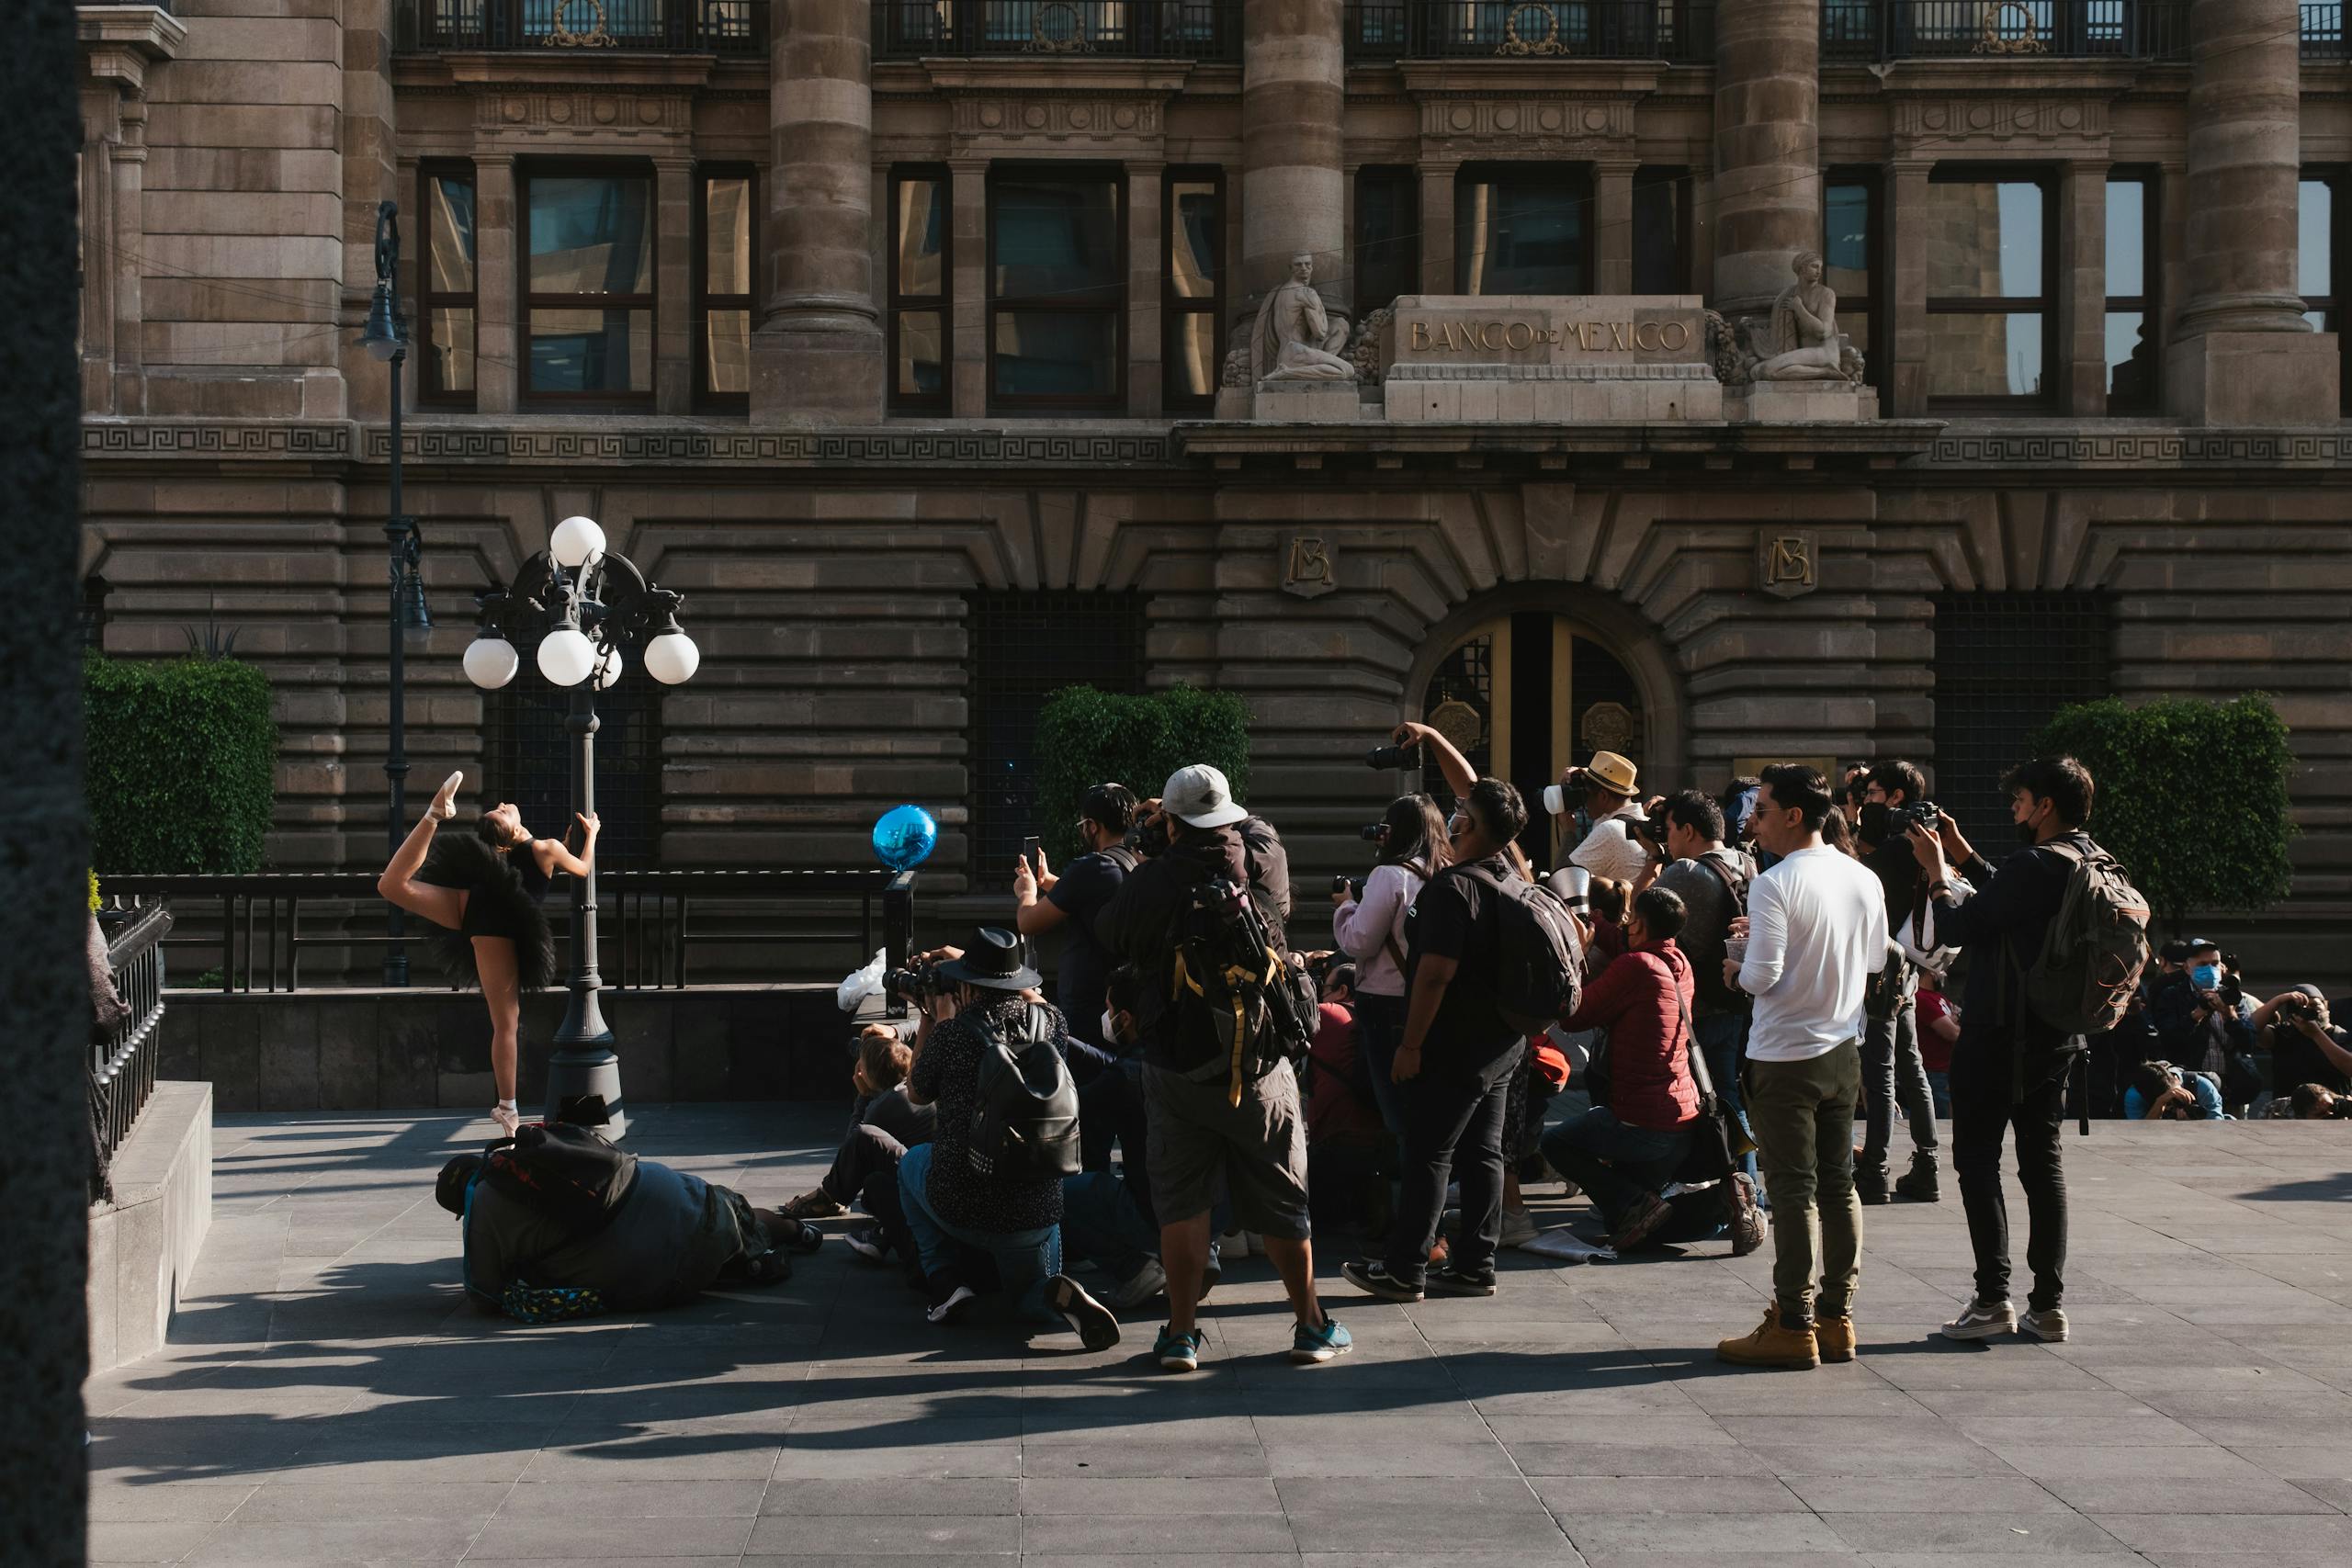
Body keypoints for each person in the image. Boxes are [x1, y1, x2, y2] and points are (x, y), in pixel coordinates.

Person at [1098, 764, 1351, 1371]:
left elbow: (1115, 936)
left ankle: (1181, 1333)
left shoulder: (1152, 879)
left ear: (1173, 821)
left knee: (1182, 1201)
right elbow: (1279, 899)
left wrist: (1152, 851)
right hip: (1260, 1064)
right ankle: (1311, 1324)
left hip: (1175, 1067)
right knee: (1284, 1200)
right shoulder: (1259, 862)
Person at [1907, 755, 2103, 1347]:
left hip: (1999, 1035)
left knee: (1976, 1160)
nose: (2014, 809)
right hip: (2056, 1035)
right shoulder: (2085, 858)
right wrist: (1964, 855)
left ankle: (1993, 1298)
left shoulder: (2035, 862)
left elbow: (1962, 926)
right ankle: (2048, 1306)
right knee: (2042, 1165)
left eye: (2019, 800)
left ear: (2044, 805)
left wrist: (1940, 872)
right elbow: (2008, 903)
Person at [1715, 763, 1887, 1372]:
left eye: (1760, 810)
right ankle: (1836, 1316)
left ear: (1792, 814)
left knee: (1792, 1189)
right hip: (1843, 1046)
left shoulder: (1774, 881)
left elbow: (1761, 976)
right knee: (1839, 1183)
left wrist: (1738, 968)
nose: (1751, 821)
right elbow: (1869, 959)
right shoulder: (1861, 876)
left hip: (1785, 1051)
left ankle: (1792, 1321)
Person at [1343, 778, 1532, 1303]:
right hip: (1503, 1042)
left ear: (1468, 824)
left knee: (1429, 1153)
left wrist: (1410, 1045)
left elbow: (1433, 976)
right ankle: (1477, 1264)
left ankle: (1406, 1268)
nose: (1452, 818)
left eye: (1460, 811)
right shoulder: (1511, 875)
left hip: (1456, 1043)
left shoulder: (1454, 888)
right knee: (1484, 1154)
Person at [896, 928, 1121, 1350]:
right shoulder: (1052, 1024)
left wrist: (929, 1015)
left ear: (967, 985)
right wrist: (996, 967)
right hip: (1038, 1208)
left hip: (961, 1200)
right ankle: (1055, 1292)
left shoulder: (952, 1036)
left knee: (910, 1163)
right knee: (1029, 1301)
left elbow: (915, 1092)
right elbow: (1035, 1000)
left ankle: (944, 1281)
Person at [378, 770, 589, 1136]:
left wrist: (566, 848)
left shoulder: (525, 852)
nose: (503, 804)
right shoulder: (544, 847)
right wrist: (594, 835)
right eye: (502, 812)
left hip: (473, 909)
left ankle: (433, 817)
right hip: (498, 926)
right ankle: (507, 1108)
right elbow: (583, 869)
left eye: (500, 807)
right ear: (510, 832)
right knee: (506, 1023)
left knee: (391, 885)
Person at [440, 1143, 815, 1319]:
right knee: (730, 1212)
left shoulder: (482, 1208)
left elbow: (484, 1298)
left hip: (662, 1272)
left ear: (462, 1206)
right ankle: (795, 1231)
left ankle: (738, 1265)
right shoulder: (534, 1156)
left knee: (662, 1257)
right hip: (693, 1201)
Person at [1541, 885, 1702, 1250]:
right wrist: (1599, 923)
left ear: (1641, 926)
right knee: (1618, 1215)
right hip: (1682, 1116)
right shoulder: (1678, 962)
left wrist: (1578, 950)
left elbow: (1574, 1015)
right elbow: (1635, 955)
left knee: (1555, 1142)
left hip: (1642, 1123)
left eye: (1630, 922)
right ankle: (1634, 1202)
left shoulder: (1636, 967)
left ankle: (1634, 1202)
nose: (1626, 927)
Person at [1652, 789, 1760, 1196]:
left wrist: (1652, 861)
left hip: (1695, 1008)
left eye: (1670, 830)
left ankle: (1705, 1188)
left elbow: (1644, 919)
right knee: (1730, 1098)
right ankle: (1748, 1190)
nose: (1667, 839)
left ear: (1688, 830)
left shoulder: (1685, 872)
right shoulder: (1745, 863)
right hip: (1735, 998)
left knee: (1687, 1099)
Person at [1332, 791, 1451, 1135]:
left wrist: (1345, 906)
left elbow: (1359, 940)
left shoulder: (1390, 875)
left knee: (1398, 1111)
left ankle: (1408, 1182)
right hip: (1436, 998)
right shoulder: (1447, 870)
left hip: (1388, 1004)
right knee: (1428, 1105)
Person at [1854, 761, 1941, 1205]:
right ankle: (1927, 1165)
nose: (1866, 802)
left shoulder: (1892, 852)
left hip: (1880, 972)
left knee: (1881, 1071)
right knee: (1911, 1066)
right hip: (1907, 970)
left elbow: (1856, 881)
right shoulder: (1929, 844)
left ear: (1895, 798)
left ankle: (1875, 1169)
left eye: (1871, 794)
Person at [1305, 963, 1388, 1235]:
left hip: (1334, 1138)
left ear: (1342, 990)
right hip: (1378, 1136)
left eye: (1325, 987)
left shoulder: (1329, 1014)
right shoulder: (1376, 1017)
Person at [2151, 939, 2255, 1088]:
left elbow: (2249, 1044)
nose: (2210, 969)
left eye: (2214, 963)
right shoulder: (2173, 996)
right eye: (2203, 964)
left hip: (2231, 1086)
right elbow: (2169, 1041)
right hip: (2191, 1086)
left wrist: (2230, 1016)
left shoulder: (2232, 997)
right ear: (2187, 968)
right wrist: (2196, 1015)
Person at [1561, 751, 1651, 884]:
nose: (1584, 801)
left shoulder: (1610, 830)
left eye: (1587, 794)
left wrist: (1569, 831)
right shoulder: (1642, 822)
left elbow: (1564, 881)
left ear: (1603, 796)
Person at [2124, 1061, 2226, 1121]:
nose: (2173, 1107)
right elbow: (2139, 1133)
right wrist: (2159, 1104)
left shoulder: (2202, 1087)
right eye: (2169, 1103)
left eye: (2176, 1098)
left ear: (2177, 1081)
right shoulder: (2135, 1095)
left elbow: (2215, 1127)